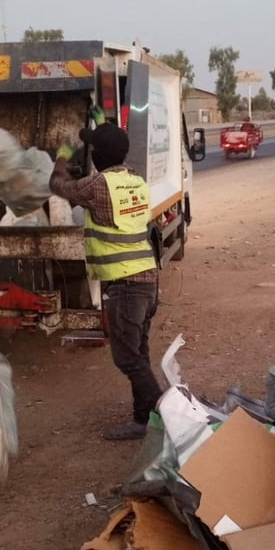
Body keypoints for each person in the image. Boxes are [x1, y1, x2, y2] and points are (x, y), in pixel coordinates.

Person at [50, 121, 163, 441]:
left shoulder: (99, 185)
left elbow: (58, 186)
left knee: (126, 357)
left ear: (98, 155)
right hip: (146, 281)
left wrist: (61, 157)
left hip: (125, 285)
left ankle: (168, 418)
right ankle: (143, 420)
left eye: (93, 149)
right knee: (138, 354)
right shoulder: (136, 182)